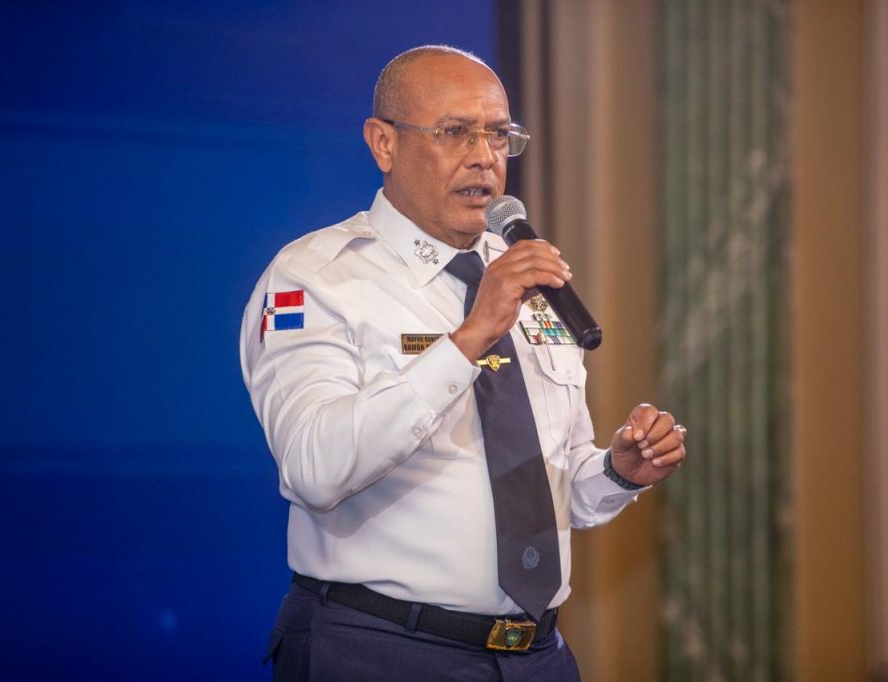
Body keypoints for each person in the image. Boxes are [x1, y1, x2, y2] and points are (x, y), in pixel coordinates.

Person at [240, 45, 687, 681]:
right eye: (455, 132)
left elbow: (553, 488)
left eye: (499, 135)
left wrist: (616, 471)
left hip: (537, 657)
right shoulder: (316, 278)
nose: (484, 157)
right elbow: (314, 468)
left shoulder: (524, 275)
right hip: (382, 650)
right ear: (384, 144)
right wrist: (470, 337)